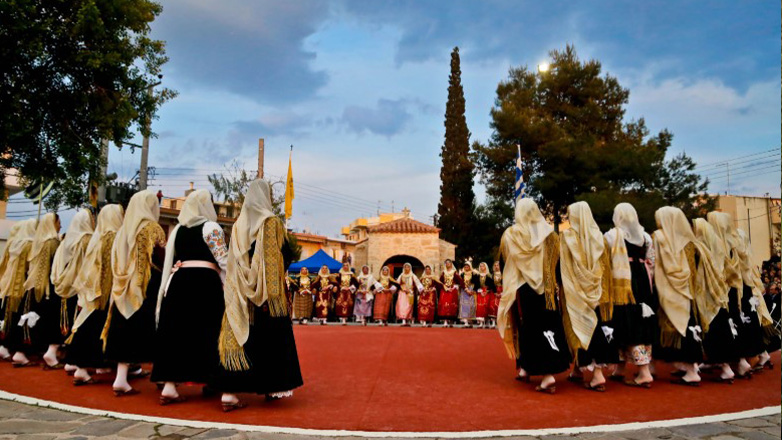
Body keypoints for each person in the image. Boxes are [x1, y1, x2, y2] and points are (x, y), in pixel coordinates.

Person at [216, 179, 303, 411]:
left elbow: (234, 260)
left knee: (240, 337)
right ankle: (273, 387)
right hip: (266, 294)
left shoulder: (237, 225)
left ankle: (229, 393)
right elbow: (274, 259)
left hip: (241, 292)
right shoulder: (271, 222)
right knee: (272, 339)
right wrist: (274, 296)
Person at [152, 189, 227, 405]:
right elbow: (222, 258)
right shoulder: (211, 227)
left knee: (176, 332)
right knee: (209, 331)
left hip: (179, 283)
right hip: (204, 284)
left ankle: (169, 386)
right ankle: (212, 380)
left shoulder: (178, 229)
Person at [498, 198, 570, 393]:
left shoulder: (511, 235)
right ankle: (528, 368)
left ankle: (546, 375)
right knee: (550, 325)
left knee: (530, 328)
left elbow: (504, 261)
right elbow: (557, 262)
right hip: (546, 289)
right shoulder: (550, 235)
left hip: (524, 288)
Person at [103, 190, 166, 397]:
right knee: (153, 328)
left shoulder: (123, 231)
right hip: (146, 285)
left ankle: (121, 378)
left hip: (123, 285)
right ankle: (163, 377)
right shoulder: (152, 228)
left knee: (124, 327)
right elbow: (159, 258)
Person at [559, 201, 618, 392]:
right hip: (597, 292)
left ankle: (597, 376)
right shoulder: (599, 238)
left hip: (575, 293)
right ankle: (578, 370)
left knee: (579, 330)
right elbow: (606, 268)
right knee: (596, 327)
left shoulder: (568, 237)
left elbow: (562, 267)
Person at [66, 204, 124, 385]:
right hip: (106, 292)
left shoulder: (98, 237)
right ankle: (84, 368)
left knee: (89, 326)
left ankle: (91, 365)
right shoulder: (114, 237)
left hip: (93, 291)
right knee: (98, 329)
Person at [653, 206, 708, 386]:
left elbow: (654, 262)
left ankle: (691, 371)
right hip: (687, 292)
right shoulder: (689, 242)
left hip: (668, 291)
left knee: (674, 329)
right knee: (688, 327)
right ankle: (686, 366)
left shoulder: (660, 237)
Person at [604, 203, 657, 388]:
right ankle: (620, 368)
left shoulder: (612, 235)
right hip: (642, 277)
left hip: (623, 280)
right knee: (638, 318)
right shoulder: (644, 236)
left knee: (626, 320)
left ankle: (643, 372)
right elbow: (652, 260)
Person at [692, 217, 740, 383]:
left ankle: (726, 369)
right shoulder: (717, 248)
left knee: (714, 333)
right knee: (721, 330)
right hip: (720, 295)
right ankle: (721, 365)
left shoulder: (699, 249)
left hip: (707, 298)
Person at [708, 212, 755, 378]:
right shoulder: (733, 243)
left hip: (722, 292)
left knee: (721, 327)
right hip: (735, 289)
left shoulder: (715, 244)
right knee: (735, 324)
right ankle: (742, 361)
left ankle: (725, 365)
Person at [50, 208, 95, 373]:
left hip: (63, 285)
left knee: (64, 321)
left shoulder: (65, 240)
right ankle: (73, 360)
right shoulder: (87, 239)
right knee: (77, 323)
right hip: (78, 288)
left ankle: (58, 353)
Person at [17, 213, 61, 368]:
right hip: (46, 288)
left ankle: (20, 352)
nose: (60, 225)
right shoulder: (53, 241)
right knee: (49, 320)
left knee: (30, 319)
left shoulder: (37, 241)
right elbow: (55, 267)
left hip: (32, 285)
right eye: (58, 222)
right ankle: (49, 355)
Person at [736, 228, 778, 371]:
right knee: (756, 325)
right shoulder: (749, 258)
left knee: (752, 327)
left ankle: (757, 355)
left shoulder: (740, 259)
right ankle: (763, 354)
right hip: (755, 296)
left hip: (748, 295)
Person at [0, 220, 36, 362]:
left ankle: (4, 346)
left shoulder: (13, 243)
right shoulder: (30, 244)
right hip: (23, 287)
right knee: (22, 319)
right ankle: (16, 349)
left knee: (8, 316)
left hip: (9, 284)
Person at [437, 259, 462, 327]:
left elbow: (460, 281)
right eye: (446, 263)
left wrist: (455, 286)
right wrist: (443, 286)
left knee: (451, 305)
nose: (447, 264)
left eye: (449, 263)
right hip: (445, 291)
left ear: (451, 264)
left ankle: (451, 321)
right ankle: (445, 321)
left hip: (452, 290)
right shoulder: (443, 273)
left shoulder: (454, 272)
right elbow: (440, 282)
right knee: (444, 305)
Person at [475, 262, 495, 328]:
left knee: (486, 306)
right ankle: (481, 322)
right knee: (480, 306)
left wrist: (487, 291)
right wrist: (479, 290)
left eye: (483, 266)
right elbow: (476, 285)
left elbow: (492, 285)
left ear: (485, 267)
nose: (481, 267)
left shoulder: (489, 275)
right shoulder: (478, 275)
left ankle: (487, 321)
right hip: (480, 292)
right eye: (480, 266)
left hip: (487, 292)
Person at [459, 262, 477, 327]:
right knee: (464, 306)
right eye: (465, 266)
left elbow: (476, 282)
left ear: (470, 267)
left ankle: (470, 320)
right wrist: (466, 289)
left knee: (471, 305)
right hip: (464, 291)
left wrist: (472, 290)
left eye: (467, 266)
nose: (466, 267)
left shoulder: (473, 274)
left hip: (471, 291)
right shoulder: (462, 274)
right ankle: (465, 321)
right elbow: (461, 283)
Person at [488, 261, 503, 328]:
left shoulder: (503, 274)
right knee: (493, 305)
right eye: (495, 265)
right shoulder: (492, 275)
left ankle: (501, 322)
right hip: (494, 291)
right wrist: (495, 292)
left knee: (501, 306)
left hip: (502, 290)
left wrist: (502, 292)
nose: (497, 267)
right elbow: (491, 284)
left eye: (498, 265)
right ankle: (493, 322)